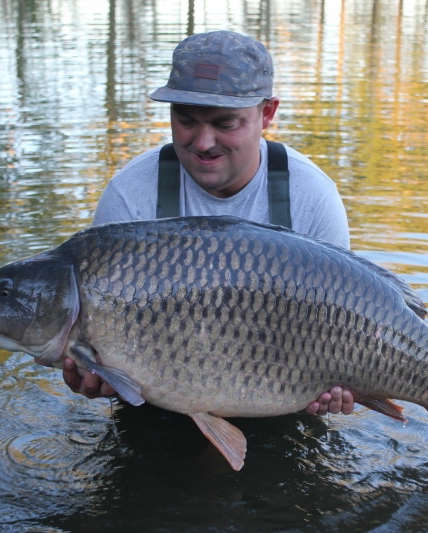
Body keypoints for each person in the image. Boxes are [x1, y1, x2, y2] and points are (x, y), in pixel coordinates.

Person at [51, 30, 355, 416]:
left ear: (267, 113)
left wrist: (345, 388)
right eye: (186, 120)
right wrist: (95, 378)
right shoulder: (130, 195)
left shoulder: (312, 196)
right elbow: (96, 354)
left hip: (282, 406)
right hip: (155, 409)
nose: (203, 142)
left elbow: (348, 321)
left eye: (225, 123)